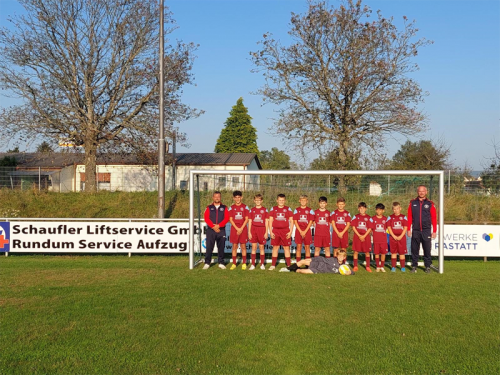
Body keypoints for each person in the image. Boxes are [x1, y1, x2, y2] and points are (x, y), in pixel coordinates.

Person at [407, 185, 437, 274]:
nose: (421, 192)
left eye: (423, 191)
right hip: (415, 230)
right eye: (420, 191)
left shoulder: (430, 203)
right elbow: (409, 217)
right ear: (417, 192)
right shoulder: (412, 203)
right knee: (414, 249)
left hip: (426, 230)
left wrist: (434, 231)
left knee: (427, 249)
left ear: (426, 192)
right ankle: (414, 266)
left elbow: (434, 218)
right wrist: (409, 229)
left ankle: (427, 266)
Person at [203, 191, 230, 270]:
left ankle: (221, 262)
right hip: (211, 230)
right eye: (215, 196)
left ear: (220, 198)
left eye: (218, 196)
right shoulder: (208, 207)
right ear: (213, 198)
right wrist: (213, 226)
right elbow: (206, 218)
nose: (217, 198)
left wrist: (219, 226)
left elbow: (226, 218)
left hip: (221, 230)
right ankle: (207, 263)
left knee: (221, 247)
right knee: (209, 247)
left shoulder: (224, 207)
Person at [268, 193, 294, 271]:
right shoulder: (273, 208)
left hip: (285, 230)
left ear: (285, 201)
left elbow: (292, 221)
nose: (281, 202)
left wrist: (290, 232)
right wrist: (271, 231)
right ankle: (273, 265)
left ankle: (289, 265)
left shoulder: (288, 209)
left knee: (286, 248)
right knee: (275, 247)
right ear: (277, 200)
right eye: (280, 200)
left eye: (283, 200)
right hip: (275, 231)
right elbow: (270, 221)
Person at [280, 250, 354, 275]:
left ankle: (294, 269)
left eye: (342, 256)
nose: (340, 258)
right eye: (339, 256)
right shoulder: (332, 259)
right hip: (317, 264)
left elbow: (351, 271)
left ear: (344, 257)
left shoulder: (343, 267)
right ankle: (288, 268)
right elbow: (321, 258)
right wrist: (311, 259)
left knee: (302, 271)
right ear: (337, 256)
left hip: (318, 270)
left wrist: (350, 273)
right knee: (303, 261)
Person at [228, 190, 250, 270]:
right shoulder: (231, 207)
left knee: (243, 246)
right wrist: (237, 228)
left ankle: (244, 263)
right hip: (234, 229)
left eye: (239, 197)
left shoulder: (245, 207)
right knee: (234, 246)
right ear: (233, 198)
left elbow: (247, 219)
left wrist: (241, 228)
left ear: (241, 197)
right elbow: (230, 219)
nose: (237, 199)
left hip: (243, 229)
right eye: (236, 197)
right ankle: (234, 263)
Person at [248, 193, 269, 270]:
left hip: (262, 229)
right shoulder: (252, 210)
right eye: (256, 200)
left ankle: (262, 264)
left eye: (259, 200)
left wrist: (266, 232)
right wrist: (249, 232)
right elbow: (250, 221)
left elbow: (267, 221)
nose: (257, 202)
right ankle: (253, 264)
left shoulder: (264, 210)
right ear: (254, 201)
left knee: (261, 247)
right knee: (253, 247)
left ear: (261, 201)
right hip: (253, 229)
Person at [350, 202, 372, 272]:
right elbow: (353, 227)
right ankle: (355, 266)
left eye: (363, 208)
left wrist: (364, 236)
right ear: (358, 209)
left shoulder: (369, 217)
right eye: (360, 208)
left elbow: (370, 228)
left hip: (366, 236)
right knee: (356, 252)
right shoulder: (355, 216)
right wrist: (359, 235)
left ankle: (368, 266)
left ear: (366, 209)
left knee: (367, 252)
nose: (362, 210)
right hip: (357, 236)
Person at [387, 202, 408, 272]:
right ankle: (393, 267)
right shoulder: (390, 217)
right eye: (394, 209)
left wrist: (401, 236)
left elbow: (405, 228)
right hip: (393, 237)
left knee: (402, 253)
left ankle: (403, 267)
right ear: (392, 210)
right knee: (393, 253)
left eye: (397, 209)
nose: (396, 210)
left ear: (400, 208)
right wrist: (393, 236)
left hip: (401, 237)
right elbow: (389, 228)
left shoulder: (404, 217)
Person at [293, 195, 314, 262]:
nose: (303, 202)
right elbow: (295, 221)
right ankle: (298, 263)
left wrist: (305, 231)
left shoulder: (310, 210)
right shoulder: (296, 210)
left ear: (307, 201)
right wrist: (300, 231)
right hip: (299, 230)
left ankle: (307, 263)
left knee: (307, 247)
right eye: (302, 200)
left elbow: (311, 221)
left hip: (307, 230)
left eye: (304, 200)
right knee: (298, 247)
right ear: (299, 201)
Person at [371, 203, 388, 272]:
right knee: (376, 253)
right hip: (376, 240)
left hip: (383, 240)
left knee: (383, 253)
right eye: (377, 210)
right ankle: (378, 266)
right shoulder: (373, 219)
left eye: (380, 210)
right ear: (376, 210)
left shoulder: (385, 219)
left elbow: (388, 228)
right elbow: (370, 228)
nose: (379, 211)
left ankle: (382, 266)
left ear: (383, 211)